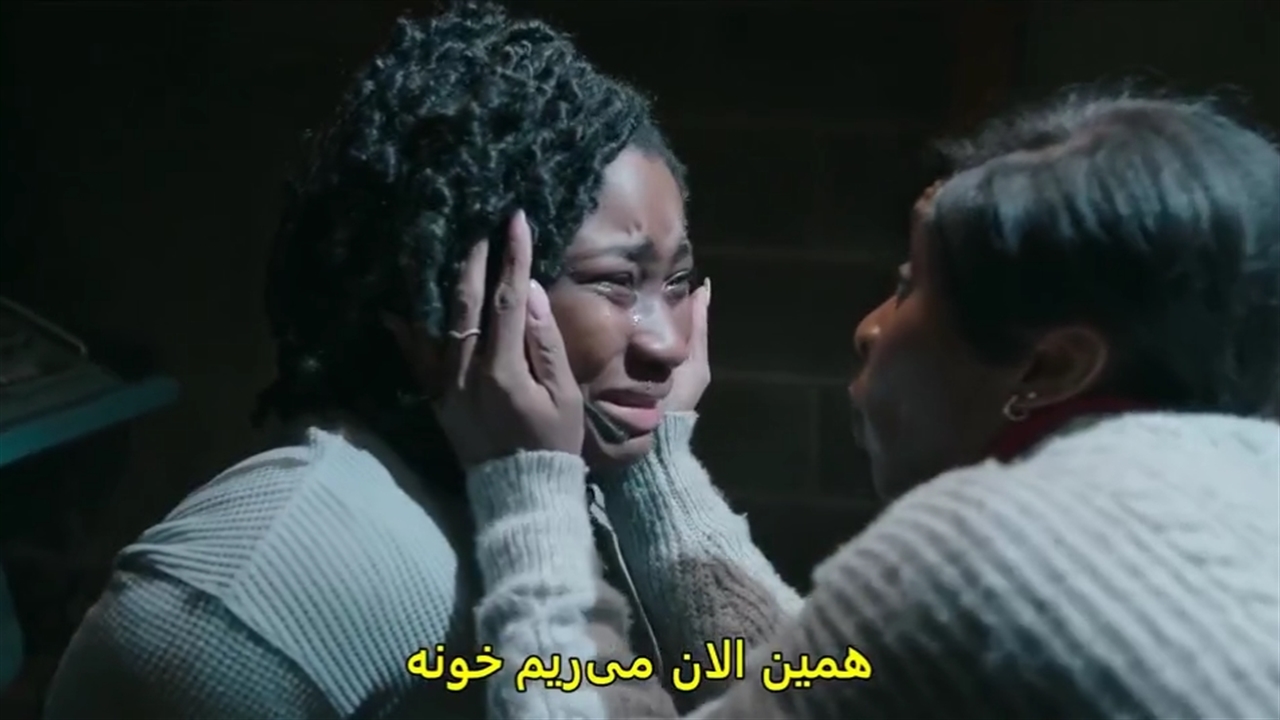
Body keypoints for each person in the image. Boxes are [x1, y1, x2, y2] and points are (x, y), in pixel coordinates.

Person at [44, 3, 797, 717]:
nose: (670, 343)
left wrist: (645, 471)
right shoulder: (260, 591)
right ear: (461, 287)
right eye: (615, 281)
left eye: (676, 282)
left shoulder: (586, 496)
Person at [438, 87, 1280, 719]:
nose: (870, 328)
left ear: (1053, 364)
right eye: (618, 282)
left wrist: (528, 479)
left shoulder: (989, 546)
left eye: (911, 289)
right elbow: (820, 684)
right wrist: (655, 467)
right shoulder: (1246, 482)